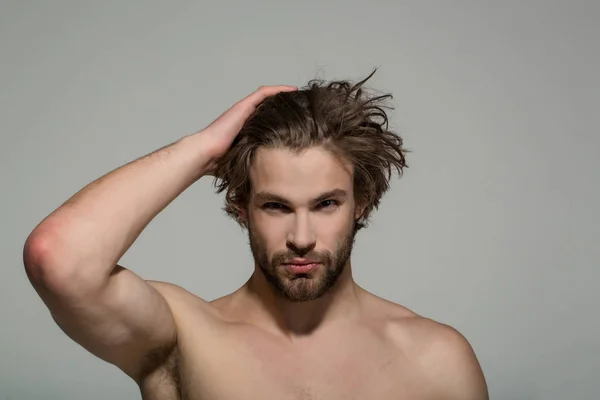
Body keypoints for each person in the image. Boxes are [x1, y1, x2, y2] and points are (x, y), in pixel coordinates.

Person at [23, 71, 489, 399]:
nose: (302, 237)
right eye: (276, 205)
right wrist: (203, 151)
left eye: (326, 204)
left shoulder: (436, 360)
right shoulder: (184, 338)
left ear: (360, 203)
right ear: (240, 207)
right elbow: (58, 258)